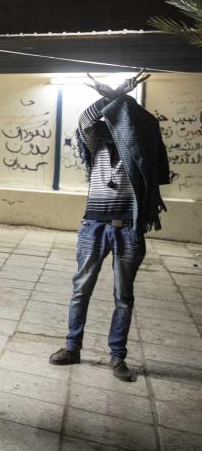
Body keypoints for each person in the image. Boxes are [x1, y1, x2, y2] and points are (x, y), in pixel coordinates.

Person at [49, 70, 166, 382]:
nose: (114, 125)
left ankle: (117, 357)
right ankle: (72, 348)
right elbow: (85, 120)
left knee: (123, 297)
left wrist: (123, 98)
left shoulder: (142, 149)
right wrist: (109, 96)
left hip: (129, 229)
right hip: (94, 226)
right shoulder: (97, 141)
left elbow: (146, 122)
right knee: (80, 290)